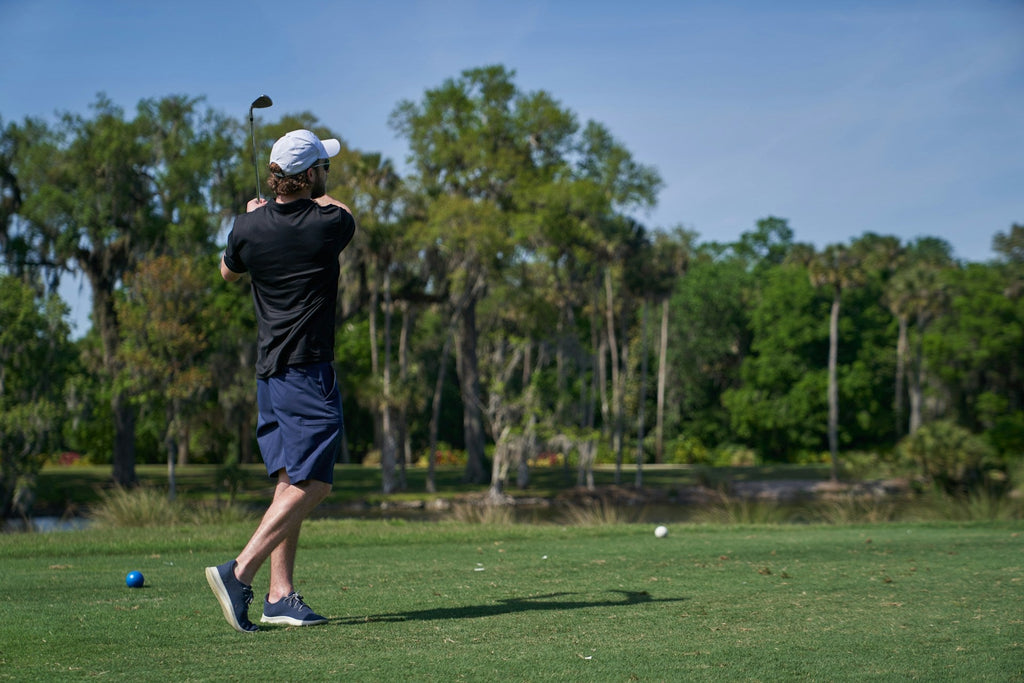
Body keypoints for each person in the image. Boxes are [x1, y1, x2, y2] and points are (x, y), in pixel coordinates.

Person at [206, 129, 356, 633]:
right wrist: (303, 193)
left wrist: (255, 215)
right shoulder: (328, 222)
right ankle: (240, 571)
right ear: (310, 175)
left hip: (269, 373)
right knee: (315, 482)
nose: (327, 177)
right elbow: (344, 209)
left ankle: (279, 595)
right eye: (323, 168)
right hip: (308, 371)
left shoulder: (247, 228)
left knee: (290, 480)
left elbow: (228, 274)